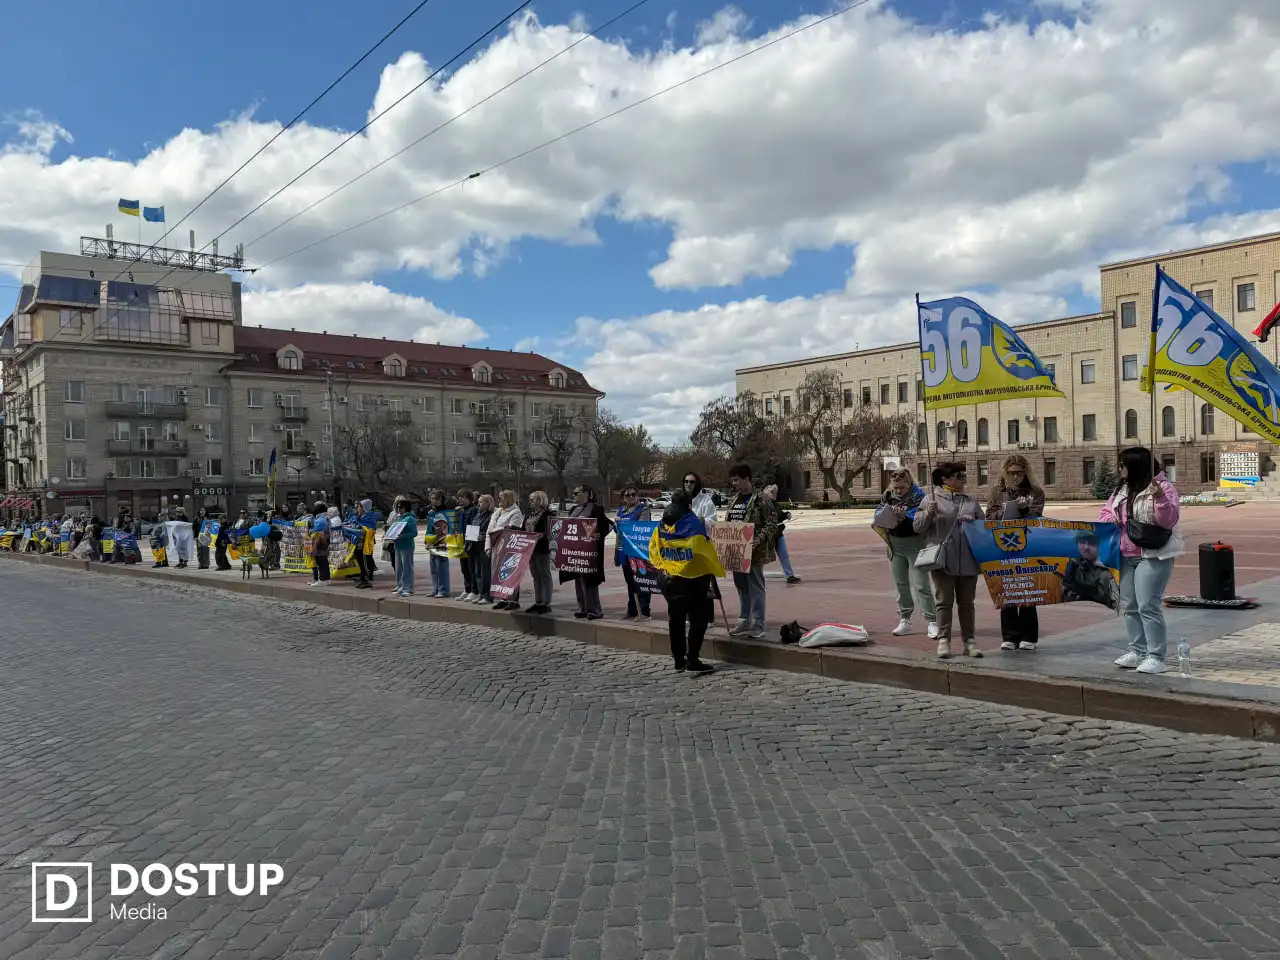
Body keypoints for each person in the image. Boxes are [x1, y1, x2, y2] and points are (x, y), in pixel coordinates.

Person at [1100, 446, 1182, 674]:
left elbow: (1167, 522)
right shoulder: (1123, 489)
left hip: (1153, 555)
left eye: (1122, 464)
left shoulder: (1163, 488)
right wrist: (1111, 518)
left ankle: (1156, 656)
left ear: (1135, 466)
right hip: (1126, 555)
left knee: (1148, 605)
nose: (1119, 469)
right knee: (1130, 606)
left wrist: (1160, 498)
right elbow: (1104, 512)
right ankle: (1138, 651)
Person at [914, 461, 984, 660]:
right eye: (956, 475)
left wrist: (975, 524)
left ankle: (969, 641)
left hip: (969, 560)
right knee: (944, 602)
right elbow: (917, 527)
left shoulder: (970, 500)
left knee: (967, 603)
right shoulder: (931, 499)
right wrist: (928, 513)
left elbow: (983, 525)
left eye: (962, 474)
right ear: (944, 479)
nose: (962, 478)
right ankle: (944, 640)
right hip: (943, 560)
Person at [651, 491, 725, 674]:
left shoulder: (662, 524)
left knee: (675, 620)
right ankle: (692, 660)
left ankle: (678, 661)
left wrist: (666, 567)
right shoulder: (693, 525)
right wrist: (713, 570)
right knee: (697, 620)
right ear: (689, 506)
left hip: (669, 579)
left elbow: (653, 548)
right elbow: (703, 554)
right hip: (693, 581)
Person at [986, 455, 1047, 651]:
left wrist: (1025, 509)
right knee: (1008, 589)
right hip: (1004, 545)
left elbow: (1037, 517)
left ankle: (1029, 637)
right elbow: (989, 516)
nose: (1016, 476)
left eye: (1019, 472)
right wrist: (1005, 511)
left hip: (1028, 544)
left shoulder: (1036, 491)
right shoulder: (998, 491)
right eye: (1011, 473)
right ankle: (1010, 636)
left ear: (1025, 471)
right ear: (1005, 472)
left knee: (1027, 588)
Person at [877, 468, 938, 639]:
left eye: (901, 487)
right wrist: (887, 515)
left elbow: (923, 519)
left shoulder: (920, 497)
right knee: (901, 584)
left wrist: (907, 517)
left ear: (910, 483)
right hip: (895, 545)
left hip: (915, 544)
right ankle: (905, 619)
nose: (898, 491)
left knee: (921, 585)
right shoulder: (888, 496)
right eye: (895, 487)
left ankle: (932, 621)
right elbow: (878, 512)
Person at [725, 463, 778, 640]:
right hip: (736, 550)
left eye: (737, 480)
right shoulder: (734, 499)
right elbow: (728, 522)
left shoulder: (761, 499)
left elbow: (771, 525)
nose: (734, 483)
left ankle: (758, 624)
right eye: (732, 480)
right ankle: (744, 620)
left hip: (755, 552)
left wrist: (758, 539)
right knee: (741, 586)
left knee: (756, 587)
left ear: (747, 478)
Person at [561, 485, 611, 620]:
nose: (574, 496)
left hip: (590, 551)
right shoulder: (573, 509)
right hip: (575, 551)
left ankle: (594, 610)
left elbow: (607, 526)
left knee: (590, 581)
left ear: (587, 494)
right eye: (573, 493)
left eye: (577, 493)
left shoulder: (595, 509)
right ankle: (582, 607)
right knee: (578, 579)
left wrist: (596, 536)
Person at [615, 486, 652, 621]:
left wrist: (623, 522)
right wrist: (617, 524)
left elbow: (642, 527)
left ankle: (644, 611)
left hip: (638, 551)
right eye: (627, 495)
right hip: (624, 550)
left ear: (637, 495)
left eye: (633, 494)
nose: (630, 497)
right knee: (630, 581)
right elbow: (617, 530)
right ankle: (632, 609)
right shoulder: (621, 510)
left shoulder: (643, 509)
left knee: (641, 580)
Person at [1062, 530, 1120, 609]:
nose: (1086, 547)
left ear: (1098, 546)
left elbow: (1116, 605)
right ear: (1077, 544)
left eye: (1091, 543)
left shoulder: (1106, 573)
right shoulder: (1073, 567)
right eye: (1082, 542)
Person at [487, 490, 526, 610]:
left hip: (509, 547)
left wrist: (499, 530)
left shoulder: (515, 512)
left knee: (510, 573)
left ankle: (513, 600)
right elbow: (490, 529)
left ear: (508, 499)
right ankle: (503, 598)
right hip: (496, 546)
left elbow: (513, 530)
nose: (499, 500)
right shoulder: (497, 512)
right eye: (498, 498)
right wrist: (488, 547)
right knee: (498, 574)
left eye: (501, 498)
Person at [763, 484, 801, 584]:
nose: (775, 494)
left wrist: (787, 514)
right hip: (766, 535)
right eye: (772, 492)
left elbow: (780, 516)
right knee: (761, 556)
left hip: (778, 534)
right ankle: (754, 575)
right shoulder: (761, 505)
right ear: (766, 492)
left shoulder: (775, 505)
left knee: (784, 555)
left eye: (776, 492)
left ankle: (790, 575)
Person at [524, 490, 555, 614]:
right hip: (530, 548)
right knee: (536, 575)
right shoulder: (529, 514)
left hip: (542, 548)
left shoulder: (548, 514)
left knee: (545, 575)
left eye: (532, 499)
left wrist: (543, 535)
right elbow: (523, 528)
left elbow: (553, 530)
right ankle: (538, 601)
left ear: (539, 500)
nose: (530, 502)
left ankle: (546, 602)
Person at [424, 490, 455, 598]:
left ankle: (443, 589)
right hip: (432, 540)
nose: (434, 501)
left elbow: (447, 528)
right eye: (432, 499)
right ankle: (435, 588)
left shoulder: (445, 512)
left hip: (441, 541)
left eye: (436, 499)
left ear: (441, 500)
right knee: (433, 567)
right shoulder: (432, 512)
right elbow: (429, 528)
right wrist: (427, 541)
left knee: (441, 566)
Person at [389, 496, 419, 597]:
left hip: (407, 545)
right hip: (398, 545)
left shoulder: (410, 518)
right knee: (399, 568)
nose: (398, 509)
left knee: (407, 568)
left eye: (400, 507)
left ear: (406, 508)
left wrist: (402, 536)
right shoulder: (399, 517)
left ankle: (408, 588)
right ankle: (400, 586)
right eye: (397, 507)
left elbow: (414, 533)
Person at [468, 494, 495, 605]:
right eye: (478, 502)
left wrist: (481, 536)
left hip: (484, 545)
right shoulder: (478, 514)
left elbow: (491, 531)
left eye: (481, 502)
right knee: (477, 571)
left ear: (489, 503)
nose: (479, 504)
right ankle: (481, 593)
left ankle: (487, 595)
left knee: (485, 572)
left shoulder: (491, 515)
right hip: (475, 545)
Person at [455, 489, 478, 601]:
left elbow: (473, 527)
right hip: (461, 541)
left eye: (463, 497)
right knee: (464, 568)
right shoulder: (461, 511)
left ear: (469, 499)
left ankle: (474, 591)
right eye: (459, 497)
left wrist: (469, 543)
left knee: (471, 568)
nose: (460, 499)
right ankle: (467, 589)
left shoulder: (473, 510)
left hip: (470, 543)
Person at [309, 501, 331, 586]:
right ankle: (327, 579)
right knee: (323, 560)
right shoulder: (326, 518)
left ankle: (323, 579)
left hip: (320, 541)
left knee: (321, 560)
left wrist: (311, 531)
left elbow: (316, 530)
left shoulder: (321, 519)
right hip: (325, 540)